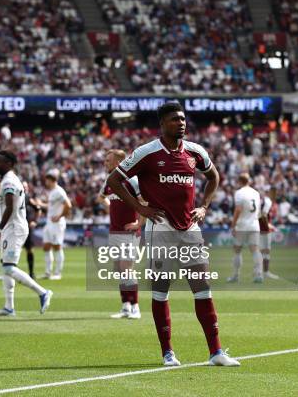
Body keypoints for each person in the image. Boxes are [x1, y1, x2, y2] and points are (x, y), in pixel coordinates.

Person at [107, 101, 240, 367]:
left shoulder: (195, 151)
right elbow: (113, 180)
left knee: (202, 288)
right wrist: (138, 206)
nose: (180, 123)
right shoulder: (147, 152)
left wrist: (204, 206)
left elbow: (213, 177)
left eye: (182, 119)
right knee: (161, 290)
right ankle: (167, 352)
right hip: (161, 228)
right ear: (162, 124)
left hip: (190, 228)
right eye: (174, 120)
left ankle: (216, 352)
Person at [0, 151, 53, 316]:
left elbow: (10, 208)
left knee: (9, 268)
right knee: (6, 266)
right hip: (12, 227)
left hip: (14, 228)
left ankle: (43, 292)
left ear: (9, 164)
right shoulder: (10, 179)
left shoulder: (9, 181)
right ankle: (9, 307)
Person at [97, 149, 143, 319]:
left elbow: (144, 202)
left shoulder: (132, 180)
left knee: (127, 269)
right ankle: (125, 306)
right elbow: (101, 197)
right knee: (118, 269)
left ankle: (136, 307)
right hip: (114, 230)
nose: (105, 163)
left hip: (129, 233)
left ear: (118, 162)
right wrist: (110, 207)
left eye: (108, 160)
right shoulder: (109, 181)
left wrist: (139, 223)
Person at [227, 173, 264, 283]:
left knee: (237, 250)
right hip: (254, 224)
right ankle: (258, 275)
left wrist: (233, 225)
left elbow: (238, 209)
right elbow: (259, 211)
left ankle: (235, 275)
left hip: (242, 225)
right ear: (249, 181)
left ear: (239, 181)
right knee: (255, 250)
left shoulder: (239, 193)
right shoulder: (256, 193)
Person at [39, 169, 72, 280]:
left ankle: (57, 273)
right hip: (49, 223)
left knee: (57, 247)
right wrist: (40, 204)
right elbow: (51, 206)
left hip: (57, 224)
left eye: (47, 180)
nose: (46, 182)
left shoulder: (59, 191)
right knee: (46, 247)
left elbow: (68, 205)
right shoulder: (53, 192)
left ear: (52, 180)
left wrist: (60, 216)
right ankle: (48, 272)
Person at [259, 189, 279, 279]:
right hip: (264, 229)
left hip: (259, 227)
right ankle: (265, 273)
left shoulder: (264, 201)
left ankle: (260, 272)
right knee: (265, 251)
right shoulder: (268, 201)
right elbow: (263, 214)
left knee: (262, 251)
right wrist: (267, 226)